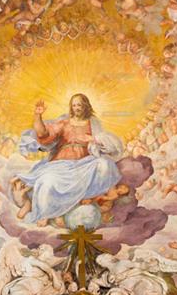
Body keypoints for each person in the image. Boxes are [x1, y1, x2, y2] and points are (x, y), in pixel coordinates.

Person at [15, 93, 123, 226]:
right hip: (61, 164)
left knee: (105, 163)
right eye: (74, 105)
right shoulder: (64, 123)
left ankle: (99, 203)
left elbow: (110, 144)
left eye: (80, 105)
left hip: (84, 164)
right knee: (47, 181)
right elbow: (43, 133)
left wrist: (93, 139)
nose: (77, 108)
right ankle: (47, 212)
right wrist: (38, 116)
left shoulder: (93, 124)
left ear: (86, 106)